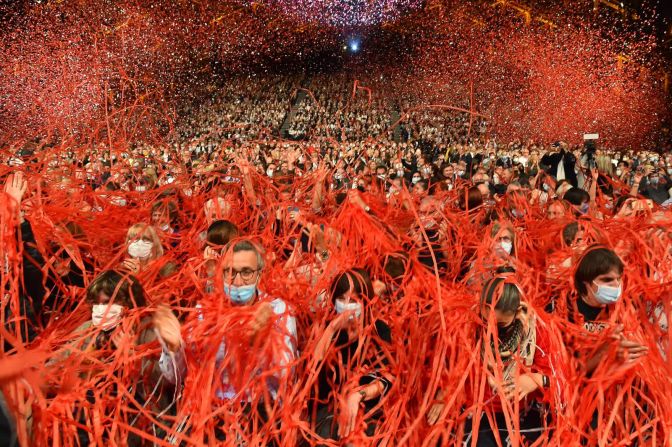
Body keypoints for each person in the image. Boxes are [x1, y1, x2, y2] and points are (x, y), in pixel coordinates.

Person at [157, 239, 297, 443]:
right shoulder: (203, 312)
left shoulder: (277, 310)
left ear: (259, 274)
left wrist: (259, 346)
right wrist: (174, 349)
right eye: (229, 272)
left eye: (246, 272)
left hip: (258, 414)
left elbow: (287, 375)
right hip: (209, 413)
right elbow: (176, 377)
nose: (237, 281)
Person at [428, 276, 562, 446]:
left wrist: (535, 380)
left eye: (500, 323)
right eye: (486, 320)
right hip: (478, 407)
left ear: (517, 312)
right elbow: (454, 365)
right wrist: (446, 390)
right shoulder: (467, 324)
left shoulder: (538, 330)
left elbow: (560, 379)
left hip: (522, 411)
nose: (491, 327)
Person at [307, 269, 393, 445]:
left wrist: (359, 395)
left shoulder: (379, 329)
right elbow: (310, 373)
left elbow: (386, 379)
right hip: (328, 410)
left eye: (353, 300)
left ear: (364, 301)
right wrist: (331, 330)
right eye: (341, 300)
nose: (346, 305)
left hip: (367, 410)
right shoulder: (324, 328)